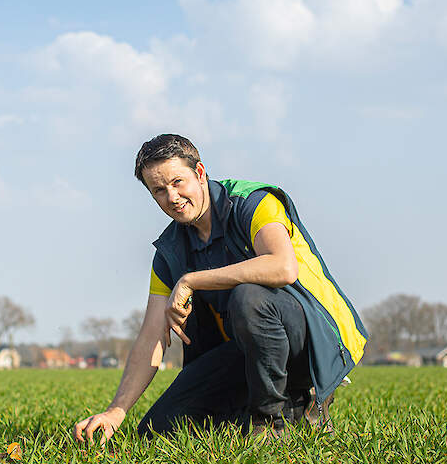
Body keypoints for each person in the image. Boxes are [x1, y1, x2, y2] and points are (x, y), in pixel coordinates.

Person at [74, 134, 367, 442]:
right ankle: (287, 408)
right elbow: (151, 334)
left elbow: (282, 267)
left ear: (200, 173)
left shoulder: (252, 202)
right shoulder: (170, 251)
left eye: (177, 182)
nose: (171, 197)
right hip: (249, 353)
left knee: (249, 296)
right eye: (159, 190)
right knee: (158, 430)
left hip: (313, 339)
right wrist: (116, 411)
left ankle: (270, 422)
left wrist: (191, 280)